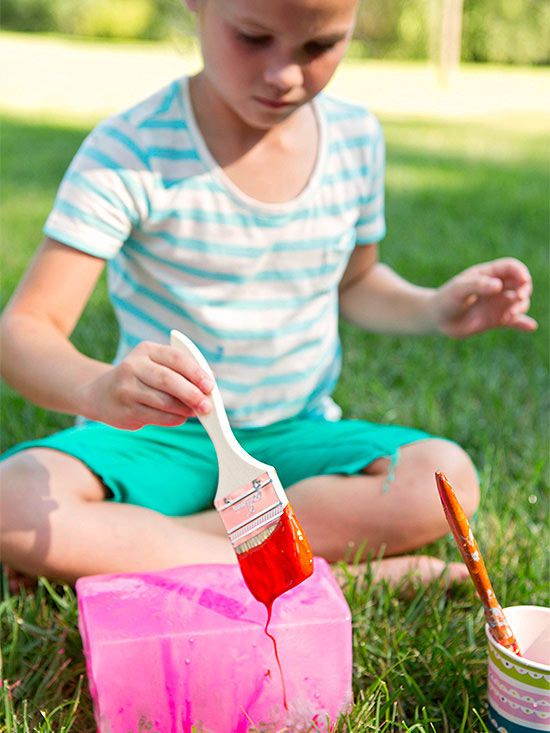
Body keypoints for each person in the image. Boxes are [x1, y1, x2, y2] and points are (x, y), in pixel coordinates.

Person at [0, 0, 536, 591]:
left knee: (444, 475)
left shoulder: (354, 139)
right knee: (12, 499)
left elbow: (355, 283)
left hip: (292, 439)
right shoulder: (131, 150)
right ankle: (318, 572)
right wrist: (99, 389)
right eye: (253, 38)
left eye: (318, 47)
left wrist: (434, 308)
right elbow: (27, 328)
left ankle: (153, 546)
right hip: (158, 441)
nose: (284, 75)